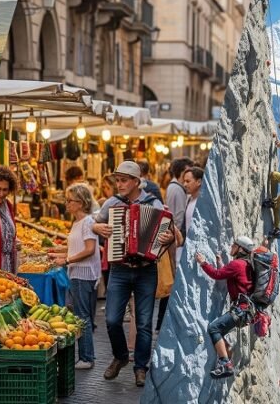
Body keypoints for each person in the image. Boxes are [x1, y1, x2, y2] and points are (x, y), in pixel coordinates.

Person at [92, 161, 178, 387]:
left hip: (146, 270)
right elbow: (95, 223)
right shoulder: (112, 203)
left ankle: (141, 367)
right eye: (117, 180)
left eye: (123, 180)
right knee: (111, 320)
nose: (119, 185)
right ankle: (120, 357)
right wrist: (96, 228)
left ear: (136, 182)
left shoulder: (154, 203)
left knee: (143, 324)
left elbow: (170, 233)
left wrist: (168, 238)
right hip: (120, 269)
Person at [52, 184, 102, 370]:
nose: (66, 204)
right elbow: (78, 247)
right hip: (77, 273)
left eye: (69, 200)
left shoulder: (88, 222)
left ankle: (87, 357)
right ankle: (85, 355)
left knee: (82, 316)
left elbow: (89, 250)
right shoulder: (78, 222)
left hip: (83, 274)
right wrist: (58, 253)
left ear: (80, 203)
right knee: (79, 314)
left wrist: (66, 259)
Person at [196, 236, 255, 379]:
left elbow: (217, 275)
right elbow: (229, 275)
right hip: (245, 311)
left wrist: (203, 263)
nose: (231, 246)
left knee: (214, 328)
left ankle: (225, 364)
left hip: (240, 310)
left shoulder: (237, 264)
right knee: (219, 330)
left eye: (234, 244)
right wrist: (221, 263)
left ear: (240, 249)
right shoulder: (246, 265)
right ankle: (226, 349)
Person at [156, 158, 194, 332]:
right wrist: (177, 238)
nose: (186, 181)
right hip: (175, 243)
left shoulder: (174, 188)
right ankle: (164, 324)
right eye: (186, 175)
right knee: (171, 285)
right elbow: (177, 216)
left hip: (173, 241)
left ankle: (163, 323)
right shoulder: (177, 190)